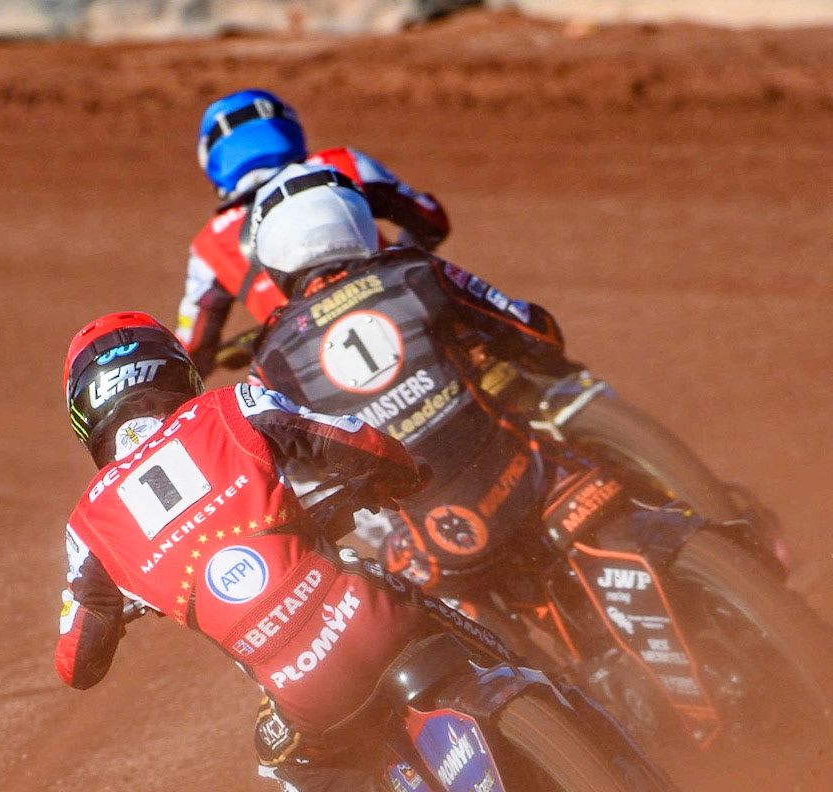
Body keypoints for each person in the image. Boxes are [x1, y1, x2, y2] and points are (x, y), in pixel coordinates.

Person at [55, 310, 491, 792]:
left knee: (289, 760)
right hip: (371, 618)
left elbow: (76, 663)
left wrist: (118, 611)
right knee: (447, 624)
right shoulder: (233, 405)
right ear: (178, 370)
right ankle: (549, 703)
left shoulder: (87, 527)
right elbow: (353, 440)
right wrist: (398, 473)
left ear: (86, 418)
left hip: (304, 693)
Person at [242, 162, 581, 594]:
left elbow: (273, 468)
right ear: (355, 219)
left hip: (429, 533)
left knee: (423, 602)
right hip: (520, 465)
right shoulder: (414, 270)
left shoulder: (270, 354)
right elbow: (536, 332)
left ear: (270, 256)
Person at [175, 90, 451, 376]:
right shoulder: (342, 164)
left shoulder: (208, 247)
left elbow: (193, 351)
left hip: (317, 374)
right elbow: (431, 221)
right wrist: (400, 259)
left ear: (213, 158)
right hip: (409, 319)